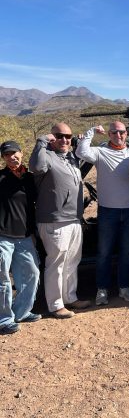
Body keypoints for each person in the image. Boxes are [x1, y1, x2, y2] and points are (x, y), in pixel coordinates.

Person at [76, 121, 129, 305]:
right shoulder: (100, 152)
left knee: (126, 252)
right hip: (108, 211)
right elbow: (81, 151)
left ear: (126, 134)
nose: (118, 136)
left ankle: (125, 287)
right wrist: (91, 131)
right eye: (114, 133)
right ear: (109, 135)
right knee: (104, 252)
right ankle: (102, 290)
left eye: (121, 132)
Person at [29, 123, 90, 319]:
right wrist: (41, 141)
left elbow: (84, 154)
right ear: (52, 137)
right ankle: (55, 305)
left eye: (68, 136)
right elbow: (36, 167)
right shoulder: (46, 156)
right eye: (59, 136)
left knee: (72, 260)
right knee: (56, 262)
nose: (65, 139)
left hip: (73, 218)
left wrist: (81, 141)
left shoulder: (70, 157)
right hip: (54, 220)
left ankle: (70, 297)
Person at [0, 141, 40, 334]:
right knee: (3, 279)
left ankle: (22, 312)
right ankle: (4, 319)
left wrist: (33, 232)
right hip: (3, 236)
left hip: (24, 236)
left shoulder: (30, 179)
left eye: (14, 153)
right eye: (7, 155)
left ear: (21, 154)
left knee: (32, 274)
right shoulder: (0, 178)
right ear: (3, 158)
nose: (11, 157)